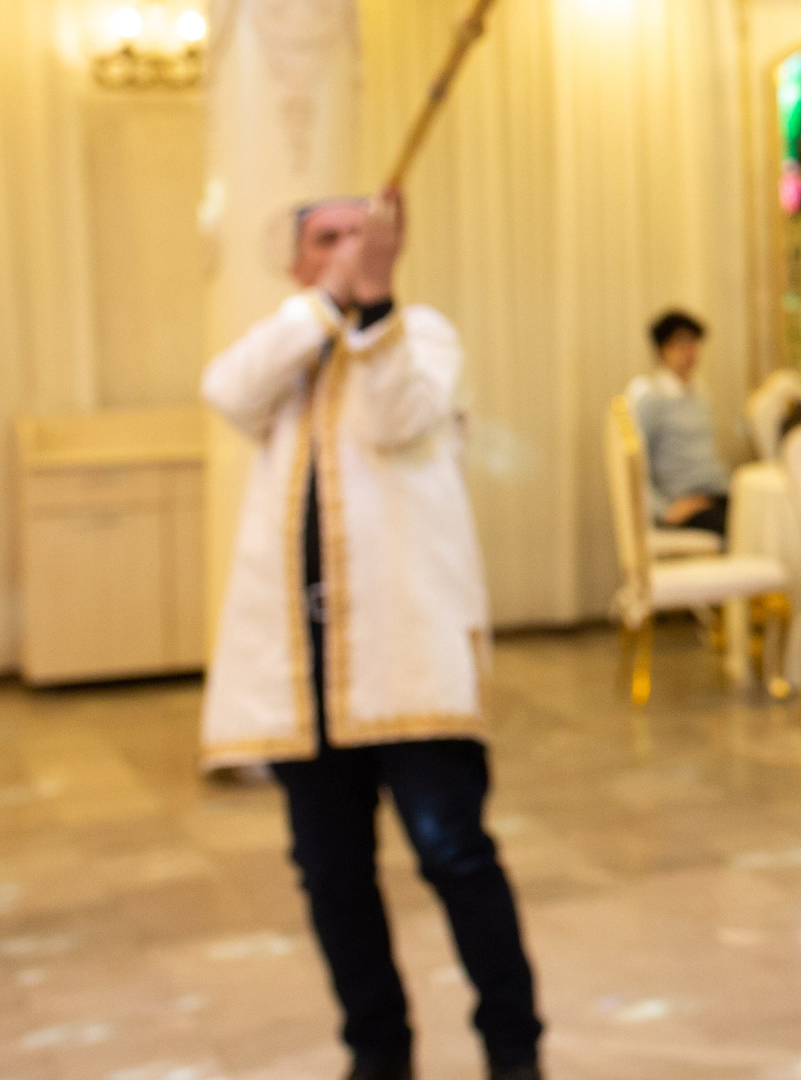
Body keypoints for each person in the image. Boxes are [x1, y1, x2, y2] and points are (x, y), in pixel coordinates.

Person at [199, 193, 542, 1080]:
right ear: (296, 262)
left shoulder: (420, 333)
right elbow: (226, 390)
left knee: (455, 855)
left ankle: (513, 1049)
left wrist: (373, 304)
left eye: (363, 235)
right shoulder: (286, 344)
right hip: (304, 676)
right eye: (328, 239)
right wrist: (325, 306)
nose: (349, 251)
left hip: (405, 663)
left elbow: (395, 418)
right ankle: (378, 1051)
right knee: (332, 877)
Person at [628, 309, 731, 543]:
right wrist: (662, 509)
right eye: (681, 343)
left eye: (694, 343)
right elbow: (635, 465)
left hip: (715, 493)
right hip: (684, 502)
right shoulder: (651, 399)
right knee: (733, 528)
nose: (690, 351)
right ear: (661, 349)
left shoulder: (700, 394)